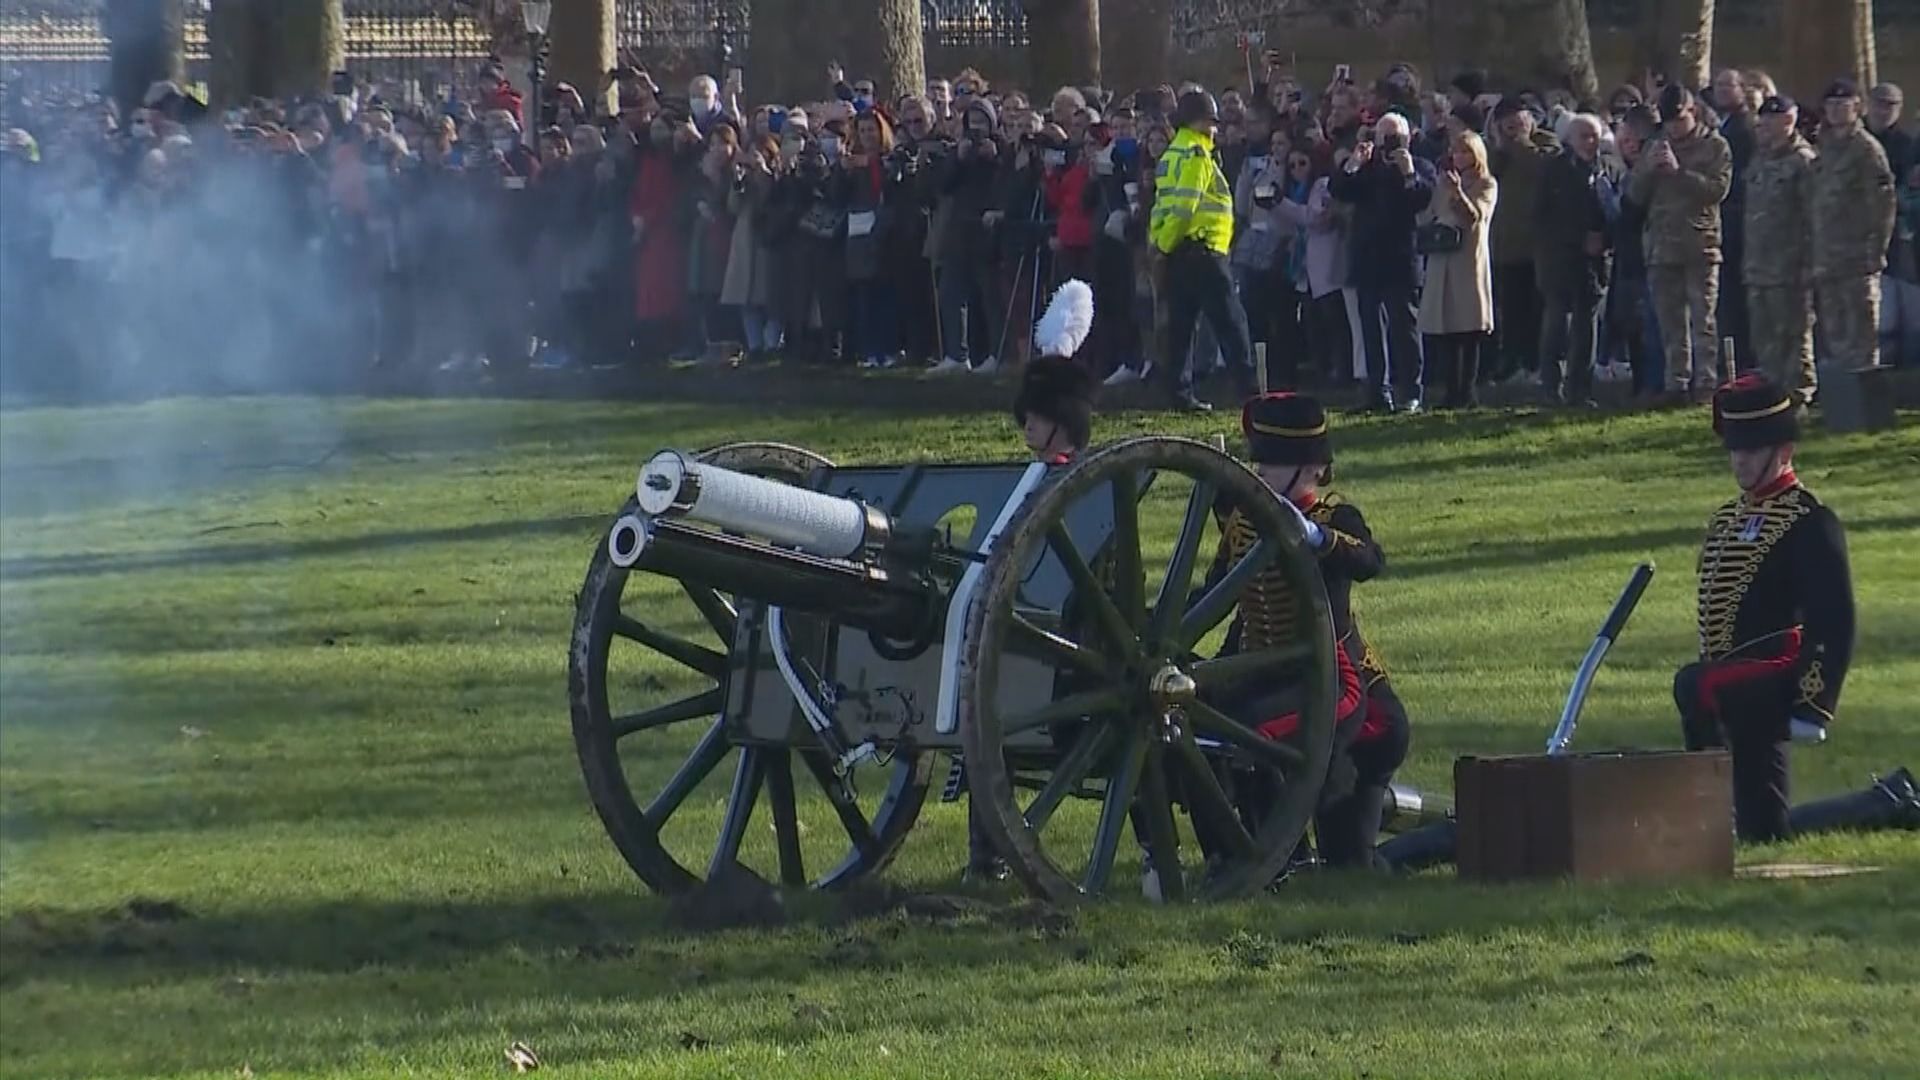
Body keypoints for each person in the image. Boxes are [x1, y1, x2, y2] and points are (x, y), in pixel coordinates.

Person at [1209, 393, 1410, 870]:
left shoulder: (1333, 517)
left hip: (1341, 690)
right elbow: (1216, 595)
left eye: (1271, 464)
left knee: (1352, 865)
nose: (1259, 472)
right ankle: (1269, 857)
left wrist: (1317, 539)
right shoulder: (1241, 522)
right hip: (1269, 676)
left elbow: (1368, 559)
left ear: (1312, 468)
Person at [1674, 374, 1854, 844]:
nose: (1740, 461)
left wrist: (1813, 703)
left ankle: (1714, 815)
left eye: (1751, 451)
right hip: (1735, 670)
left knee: (1697, 683)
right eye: (1735, 450)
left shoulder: (1810, 520)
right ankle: (1731, 825)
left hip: (1780, 666)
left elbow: (1833, 619)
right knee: (1762, 820)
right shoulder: (1726, 518)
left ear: (1784, 451)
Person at [963, 280, 1098, 882]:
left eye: (1038, 419)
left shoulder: (1084, 484)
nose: (1027, 429)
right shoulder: (1030, 477)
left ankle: (991, 854)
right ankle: (985, 854)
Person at [1150, 90, 1255, 413]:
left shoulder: (1172, 154)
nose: (1215, 130)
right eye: (1211, 122)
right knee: (1231, 322)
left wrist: (1161, 246)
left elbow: (1161, 206)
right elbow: (1185, 206)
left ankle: (1179, 394)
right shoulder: (1196, 154)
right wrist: (1168, 243)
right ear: (1197, 122)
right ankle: (1249, 392)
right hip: (1203, 250)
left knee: (1181, 327)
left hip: (1178, 252)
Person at [1329, 111, 1436, 413]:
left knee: (1405, 328)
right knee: (1370, 329)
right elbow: (1338, 190)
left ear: (1408, 137)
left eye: (1395, 137)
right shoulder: (1367, 168)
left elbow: (1420, 200)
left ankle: (1410, 391)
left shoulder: (1420, 166)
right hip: (1367, 258)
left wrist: (1408, 173)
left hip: (1401, 259)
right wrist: (1353, 163)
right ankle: (1376, 392)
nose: (1389, 144)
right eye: (1383, 137)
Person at [1631, 85, 1733, 403]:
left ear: (1694, 112)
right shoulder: (1655, 146)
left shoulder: (1714, 146)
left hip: (1700, 244)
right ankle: (1676, 382)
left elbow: (1718, 190)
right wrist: (1649, 170)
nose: (1675, 127)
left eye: (1680, 119)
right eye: (1669, 121)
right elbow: (1634, 196)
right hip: (1661, 246)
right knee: (1670, 321)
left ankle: (1705, 383)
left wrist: (1679, 172)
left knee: (1703, 319)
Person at [1811, 79, 1898, 373]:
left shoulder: (1866, 150)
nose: (1835, 110)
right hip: (1827, 256)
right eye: (1830, 105)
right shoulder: (1824, 146)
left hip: (1857, 255)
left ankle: (1864, 399)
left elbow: (1884, 205)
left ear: (1857, 107)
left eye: (1842, 104)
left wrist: (1876, 251)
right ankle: (1842, 400)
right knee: (1834, 331)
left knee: (1862, 332)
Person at [1535, 113, 1620, 407]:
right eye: (1583, 136)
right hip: (1559, 260)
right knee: (1556, 325)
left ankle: (1580, 390)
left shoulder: (1608, 169)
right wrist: (1578, 237)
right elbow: (1541, 216)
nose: (1590, 141)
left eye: (1594, 135)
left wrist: (1604, 239)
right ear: (1569, 139)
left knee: (1587, 328)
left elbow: (1616, 212)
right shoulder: (1553, 170)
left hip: (1594, 264)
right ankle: (1550, 386)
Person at [1742, 96, 1818, 402]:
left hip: (1790, 265)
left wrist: (1809, 263)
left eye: (1772, 124)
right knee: (1765, 337)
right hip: (1758, 265)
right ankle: (1773, 396)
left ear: (1789, 122)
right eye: (1762, 125)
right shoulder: (1759, 159)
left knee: (1794, 335)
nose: (1765, 131)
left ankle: (1800, 396)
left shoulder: (1803, 161)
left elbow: (1814, 217)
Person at [1417, 129, 1498, 409]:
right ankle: (1451, 391)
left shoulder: (1486, 184)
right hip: (1442, 260)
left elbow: (1474, 216)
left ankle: (1468, 390)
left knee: (1469, 329)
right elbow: (1427, 215)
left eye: (1466, 152)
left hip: (1468, 263)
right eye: (1456, 151)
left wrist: (1458, 193)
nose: (1460, 157)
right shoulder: (1443, 183)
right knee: (1448, 330)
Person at [1487, 98, 1560, 388]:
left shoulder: (1547, 143)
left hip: (1538, 244)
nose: (1514, 131)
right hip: (1506, 244)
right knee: (1511, 308)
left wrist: (1520, 143)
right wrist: (1498, 144)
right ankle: (1512, 361)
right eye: (1509, 126)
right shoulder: (1498, 151)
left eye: (1520, 123)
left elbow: (1545, 169)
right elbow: (1487, 172)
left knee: (1537, 308)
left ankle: (1536, 363)